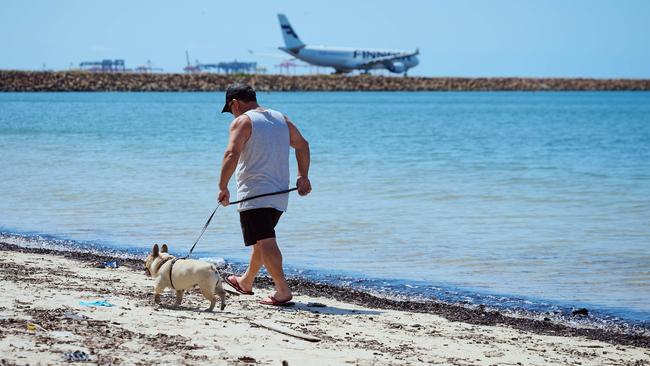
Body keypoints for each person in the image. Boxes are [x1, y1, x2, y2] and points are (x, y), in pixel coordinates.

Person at [217, 83, 311, 306]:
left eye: (230, 110)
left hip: (254, 193)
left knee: (266, 241)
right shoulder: (280, 118)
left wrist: (222, 186)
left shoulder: (242, 121)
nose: (232, 114)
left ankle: (282, 291)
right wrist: (303, 176)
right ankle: (246, 281)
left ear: (235, 103)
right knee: (261, 240)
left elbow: (232, 153)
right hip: (279, 195)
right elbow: (302, 145)